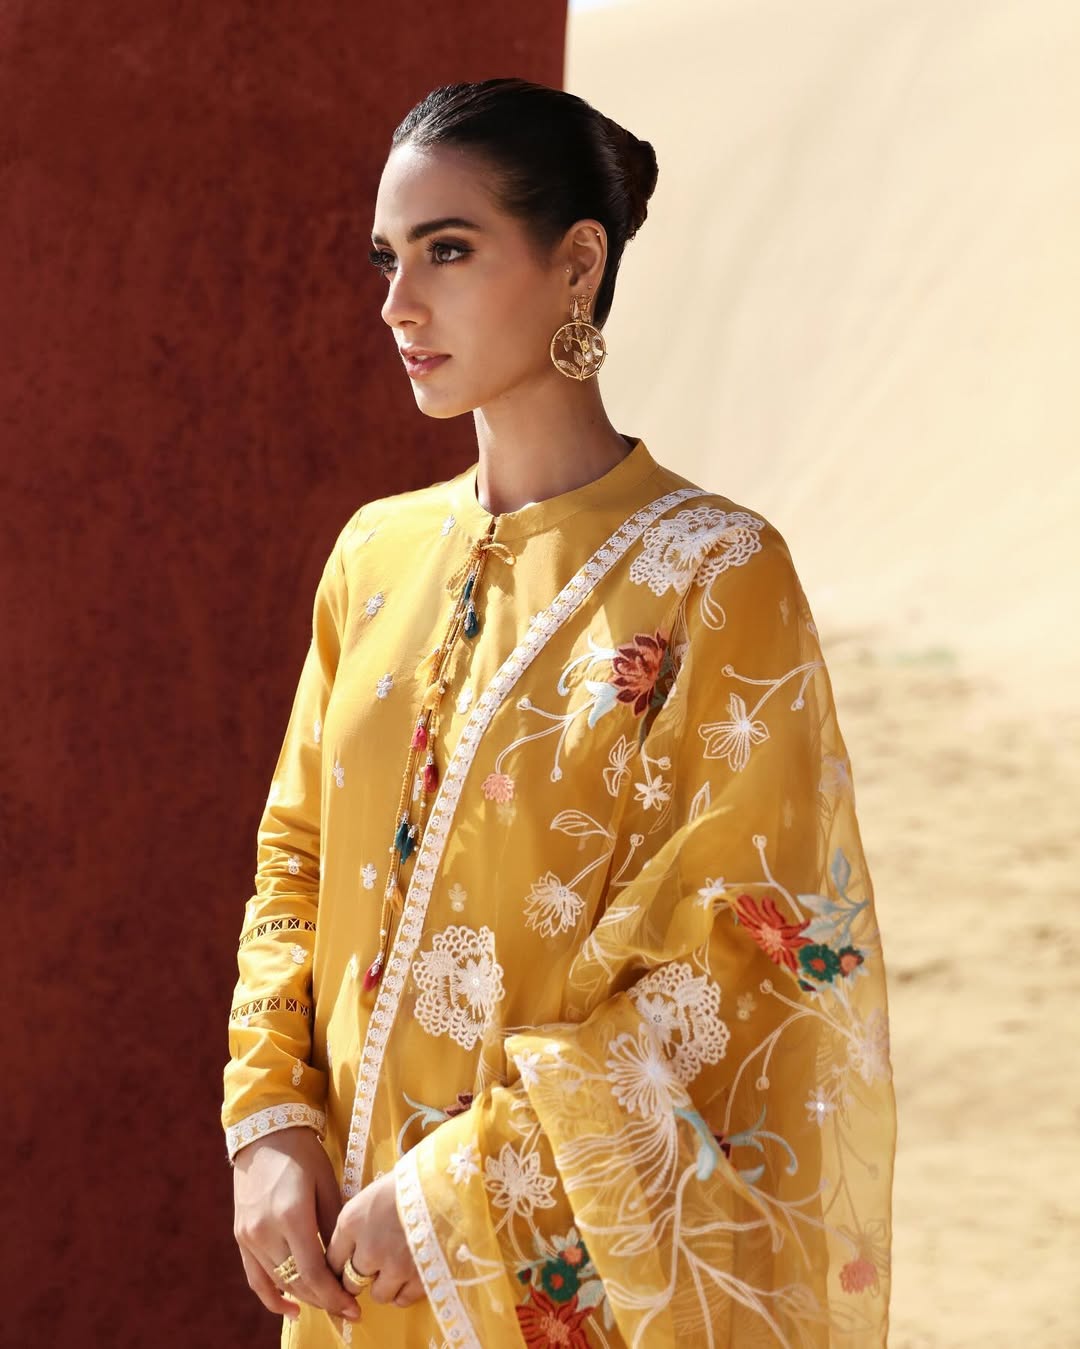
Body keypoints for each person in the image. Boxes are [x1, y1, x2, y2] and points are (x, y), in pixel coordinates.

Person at [222, 77, 895, 1348]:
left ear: (577, 263)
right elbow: (295, 858)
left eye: (448, 250)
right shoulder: (374, 555)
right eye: (385, 258)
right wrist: (269, 1122)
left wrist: (456, 1189)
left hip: (551, 1273)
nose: (398, 303)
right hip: (349, 1276)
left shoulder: (713, 572)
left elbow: (739, 959)